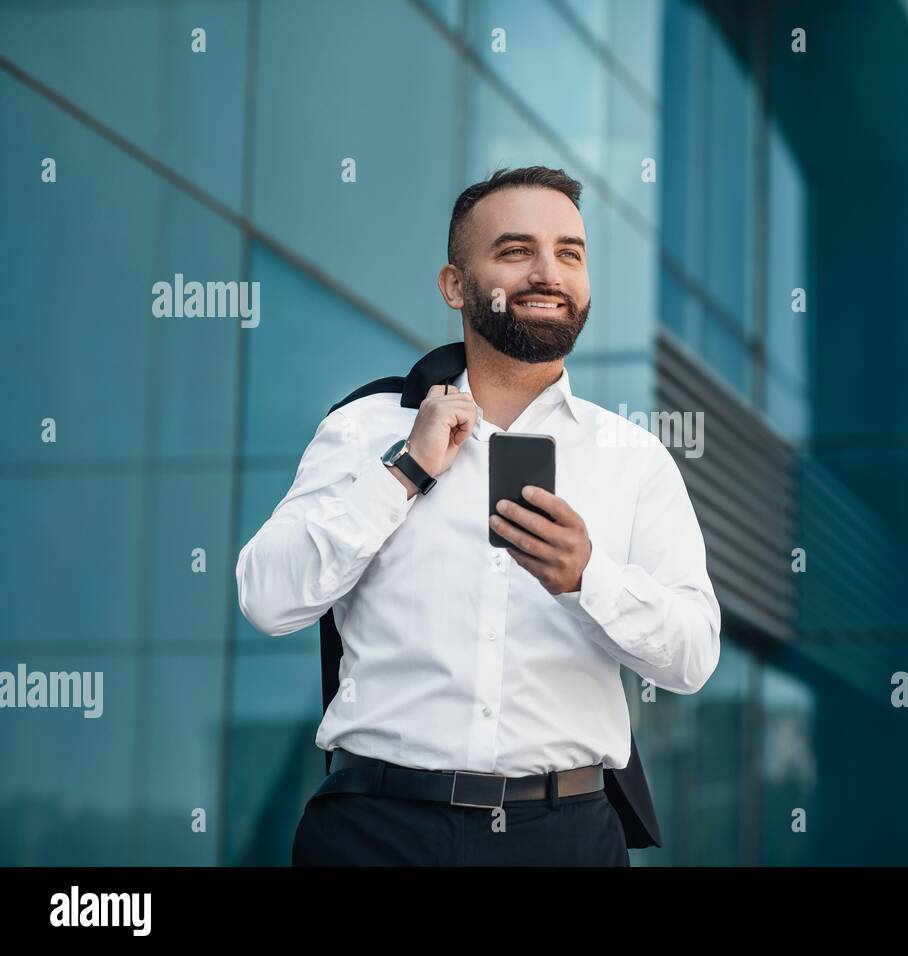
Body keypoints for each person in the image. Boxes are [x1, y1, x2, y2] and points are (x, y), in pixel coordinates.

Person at [236, 165, 722, 866]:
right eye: (516, 251)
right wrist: (404, 472)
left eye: (570, 252)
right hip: (375, 834)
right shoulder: (366, 428)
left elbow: (693, 656)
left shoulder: (633, 458)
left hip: (566, 840)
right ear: (456, 285)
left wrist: (591, 578)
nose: (548, 272)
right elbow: (266, 598)